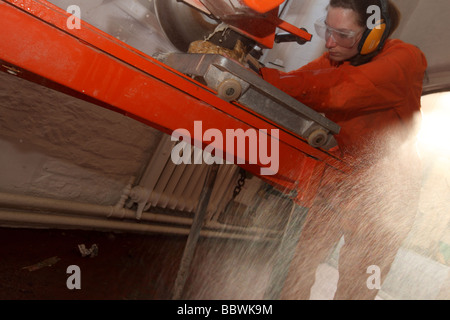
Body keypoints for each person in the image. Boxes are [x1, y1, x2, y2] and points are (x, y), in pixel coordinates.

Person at [260, 0, 428, 299]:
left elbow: (344, 91)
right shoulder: (336, 59)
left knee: (357, 285)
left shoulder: (407, 58)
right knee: (296, 262)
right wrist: (255, 76)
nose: (330, 42)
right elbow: (298, 83)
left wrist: (268, 80)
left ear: (373, 35)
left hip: (386, 189)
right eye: (327, 29)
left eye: (343, 34)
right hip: (338, 174)